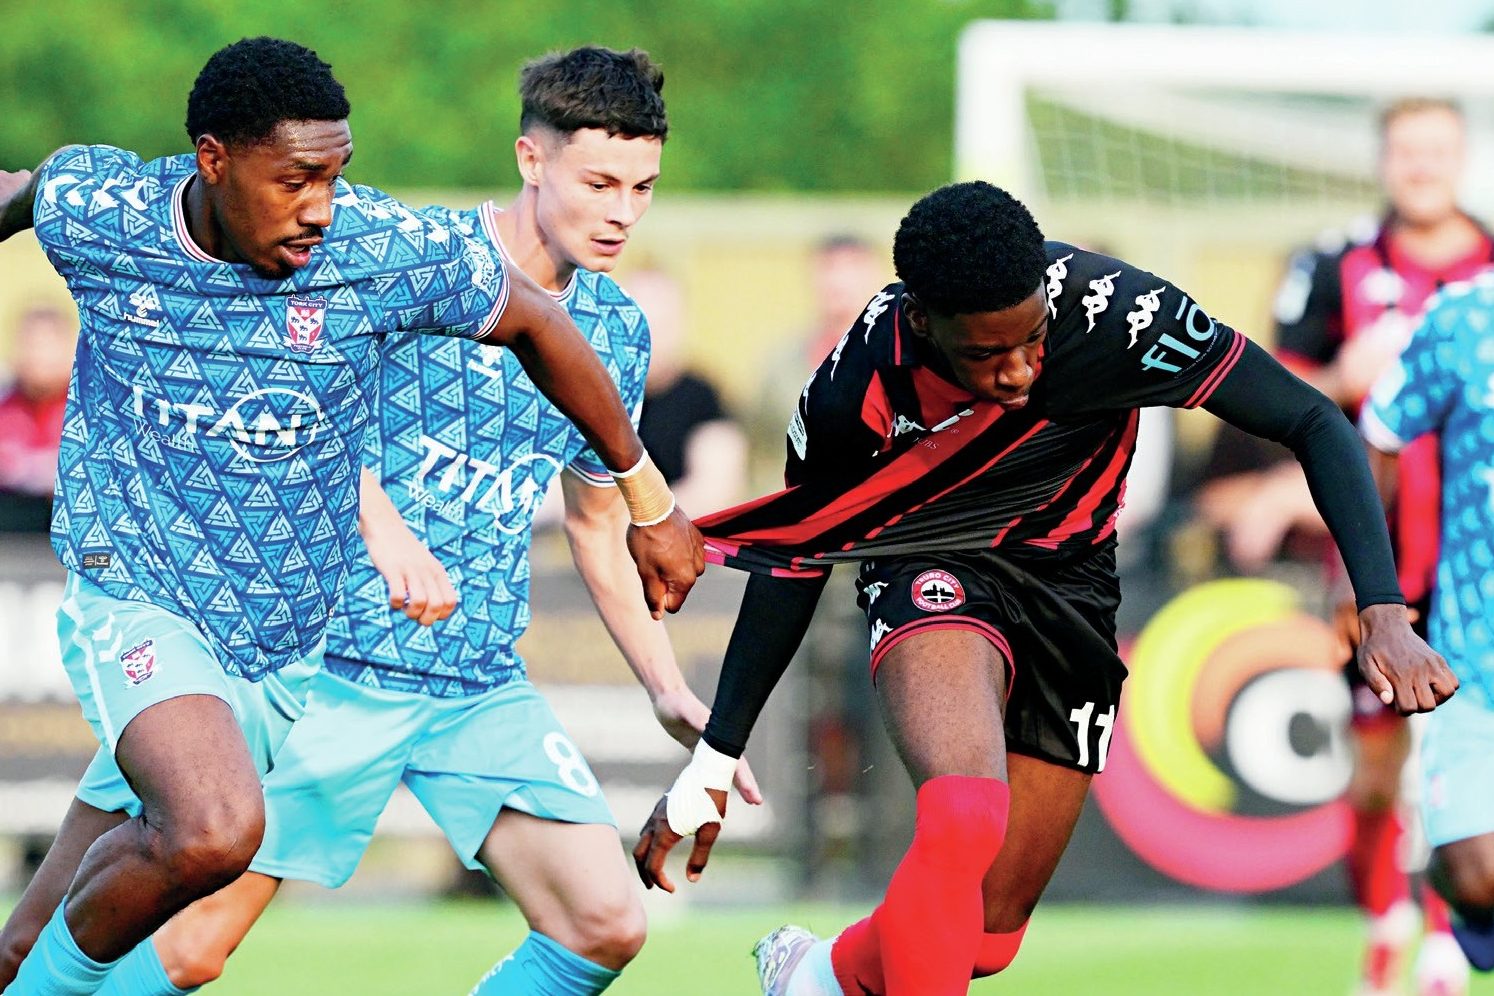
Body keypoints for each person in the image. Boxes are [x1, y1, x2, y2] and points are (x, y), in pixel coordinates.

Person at [631, 180, 1458, 996]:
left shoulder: (1120, 318)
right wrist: (718, 752)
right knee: (962, 816)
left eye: (1032, 339)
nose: (1022, 370)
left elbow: (1312, 419)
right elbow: (799, 553)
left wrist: (1382, 610)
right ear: (924, 324)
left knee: (984, 938)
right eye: (987, 354)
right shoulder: (857, 385)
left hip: (1074, 590)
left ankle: (815, 973)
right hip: (934, 566)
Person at [0, 36, 702, 996]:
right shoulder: (141, 214)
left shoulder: (529, 300)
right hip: (258, 631)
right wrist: (381, 523)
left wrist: (654, 572)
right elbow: (35, 195)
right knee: (199, 882)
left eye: (643, 188)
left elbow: (566, 431)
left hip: (395, 664)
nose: (621, 210)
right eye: (601, 181)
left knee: (607, 923)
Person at [1220, 96, 1489, 994]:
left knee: (1464, 758)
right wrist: (1341, 374)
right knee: (1376, 771)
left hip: (1474, 561)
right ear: (1383, 159)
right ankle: (1388, 917)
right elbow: (1267, 385)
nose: (1421, 166)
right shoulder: (1334, 265)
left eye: (1437, 150)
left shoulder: (1488, 272)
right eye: (1405, 149)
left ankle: (1451, 944)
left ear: (1461, 158)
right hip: (1380, 555)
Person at [1361, 274, 1494, 982]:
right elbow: (1378, 432)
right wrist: (1368, 587)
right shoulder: (1468, 317)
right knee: (1477, 875)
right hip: (1474, 654)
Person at [632, 268, 748, 515]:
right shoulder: (591, 397)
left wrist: (630, 521)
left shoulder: (703, 399)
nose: (650, 337)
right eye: (639, 324)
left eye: (660, 324)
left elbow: (716, 490)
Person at [0, 306, 75, 532]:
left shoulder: (88, 409)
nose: (40, 357)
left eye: (48, 347)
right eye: (32, 346)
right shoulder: (6, 404)